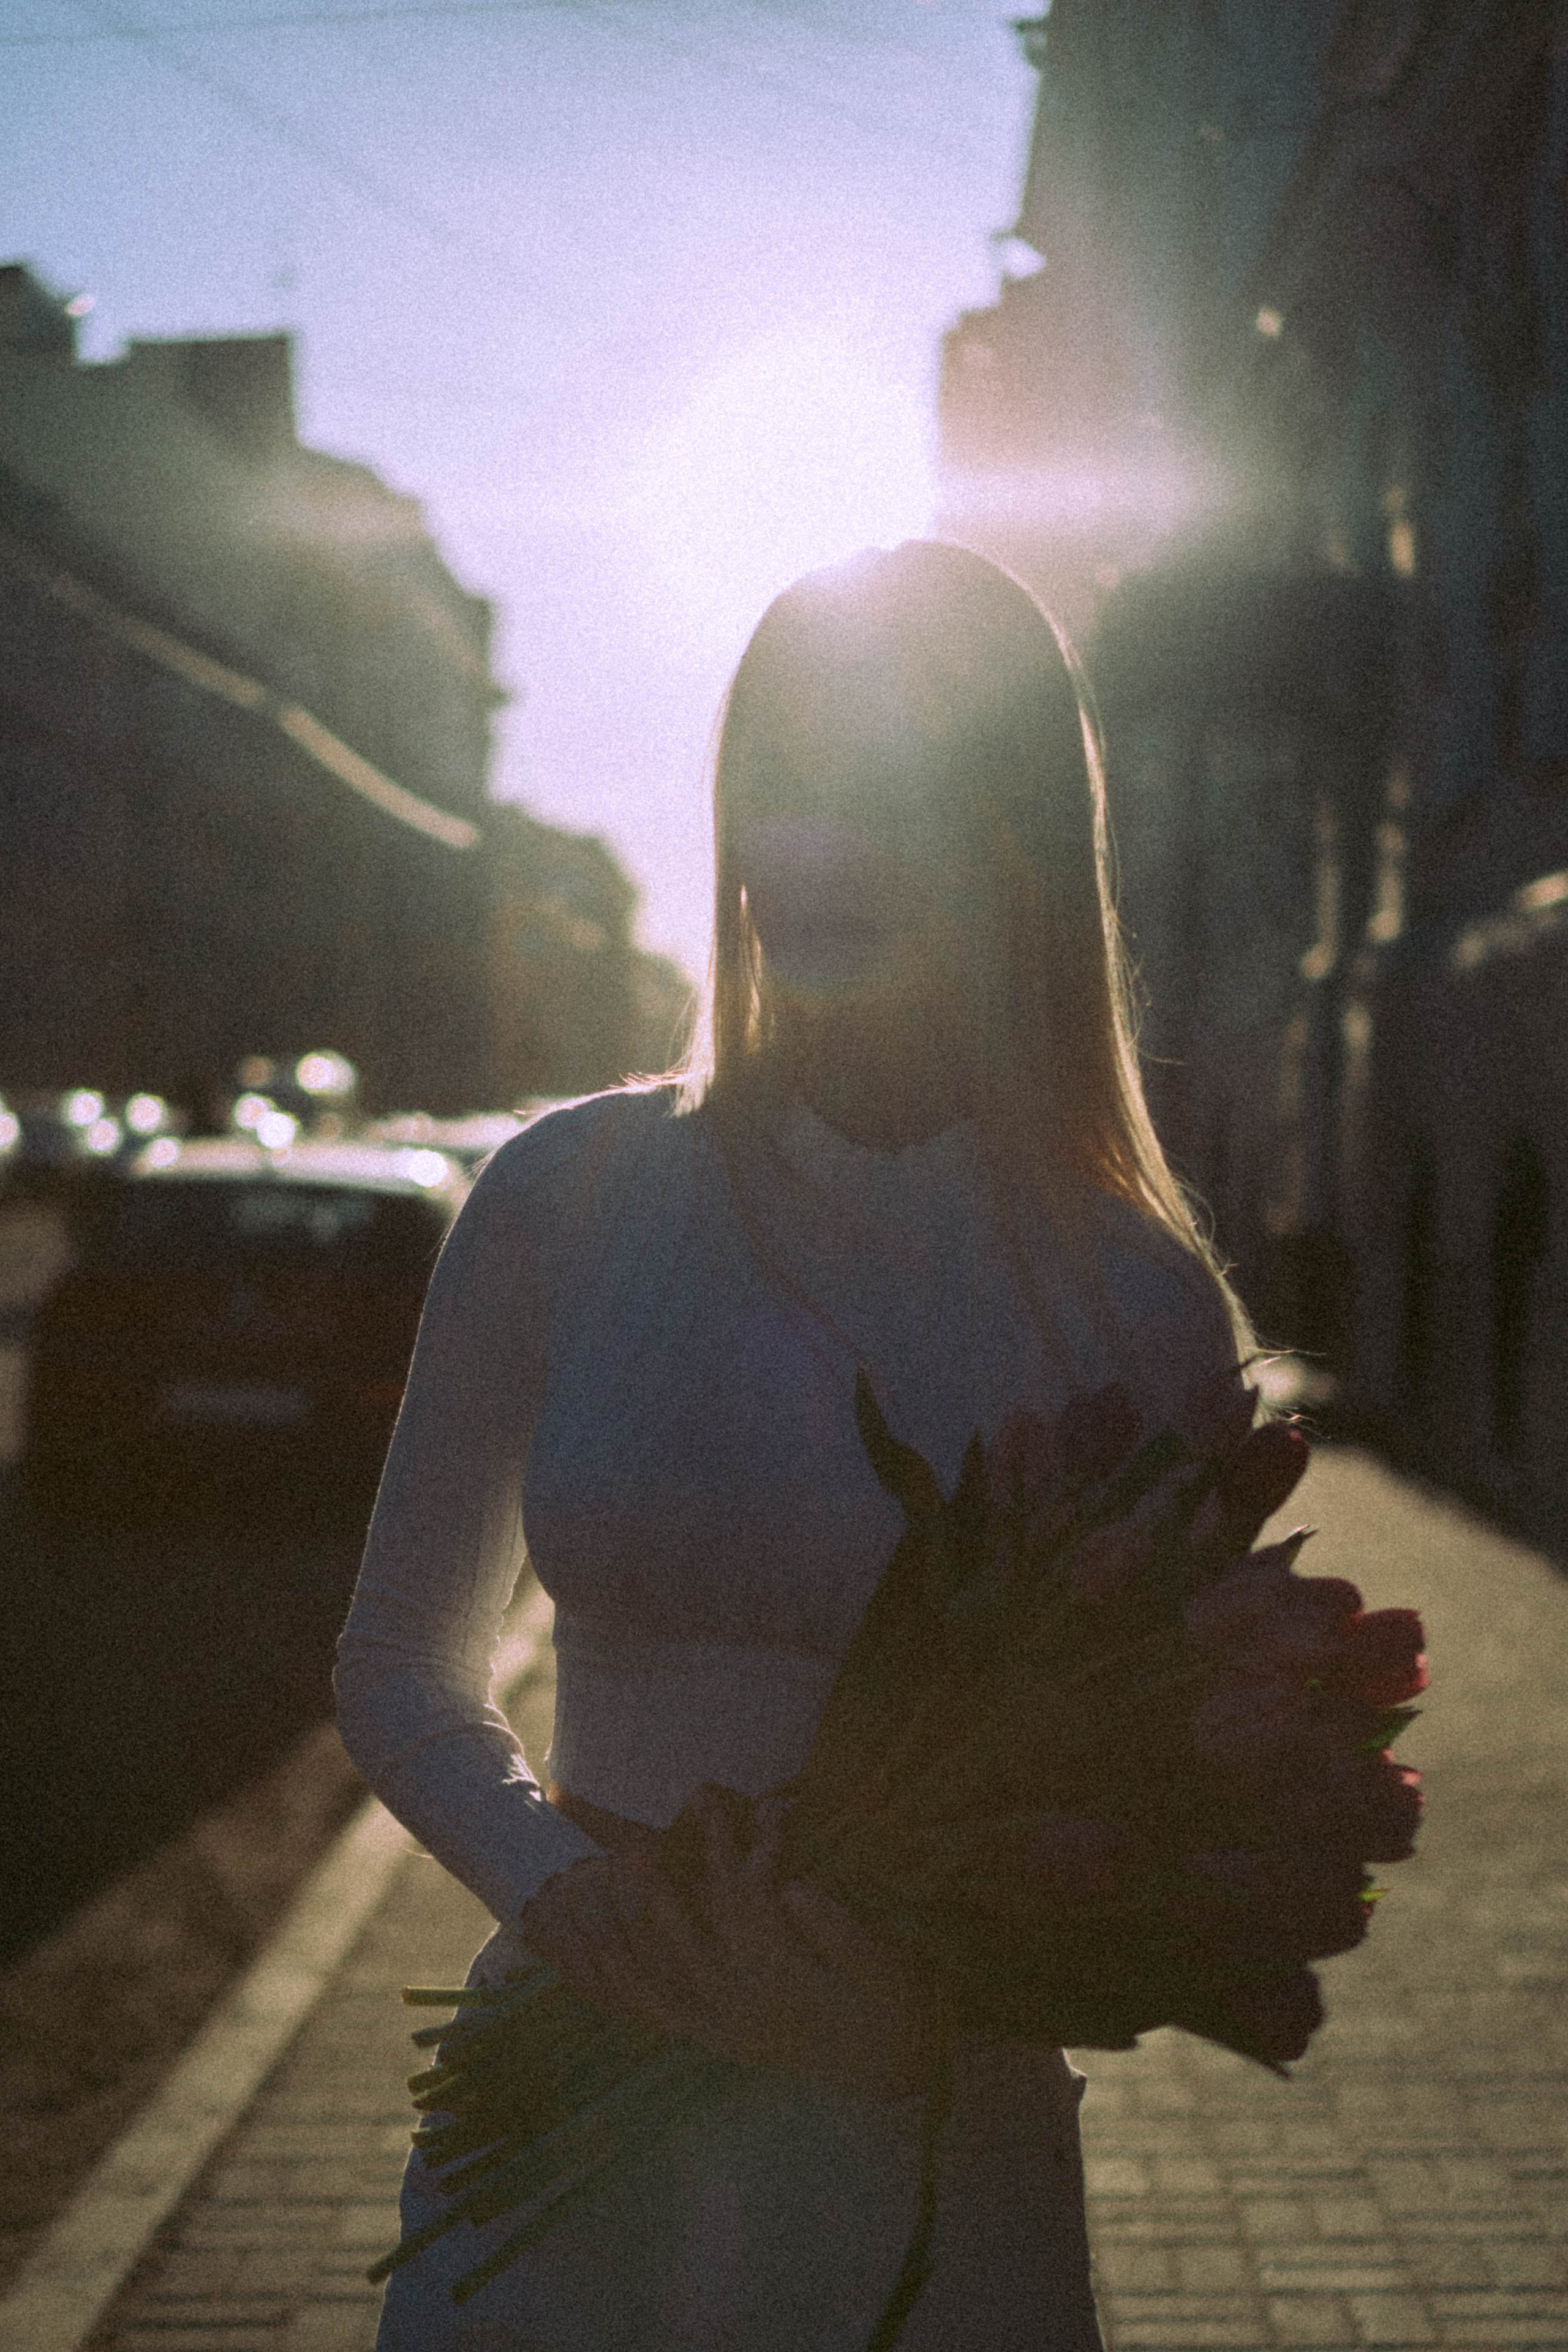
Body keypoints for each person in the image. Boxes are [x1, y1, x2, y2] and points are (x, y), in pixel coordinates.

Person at [336, 540, 1249, 2350]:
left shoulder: (1137, 1299)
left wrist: (929, 1999)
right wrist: (574, 1898)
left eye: (889, 790)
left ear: (1013, 840)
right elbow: (400, 1662)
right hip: (559, 2136)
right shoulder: (565, 1195)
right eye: (782, 784)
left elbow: (1176, 1807)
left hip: (937, 2166)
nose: (817, 846)